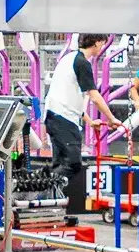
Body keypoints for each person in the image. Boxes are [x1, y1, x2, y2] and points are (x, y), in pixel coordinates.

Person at [42, 34, 115, 190]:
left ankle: (48, 195)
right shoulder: (82, 63)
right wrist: (111, 119)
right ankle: (42, 189)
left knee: (60, 164)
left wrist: (90, 121)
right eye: (102, 43)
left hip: (54, 116)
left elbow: (71, 98)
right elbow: (95, 97)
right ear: (97, 42)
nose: (102, 47)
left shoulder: (69, 59)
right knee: (72, 164)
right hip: (63, 119)